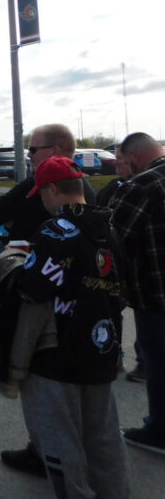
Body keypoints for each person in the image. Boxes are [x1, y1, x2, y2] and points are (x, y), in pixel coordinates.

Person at [13, 156, 130, 497]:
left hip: (59, 352)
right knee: (104, 436)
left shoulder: (55, 231)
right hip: (104, 348)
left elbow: (33, 289)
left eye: (42, 194)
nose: (43, 202)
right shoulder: (110, 225)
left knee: (62, 442)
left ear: (53, 189)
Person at [0, 123, 97, 474]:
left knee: (41, 379)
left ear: (57, 150)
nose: (28, 156)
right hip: (85, 310)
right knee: (82, 390)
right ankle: (70, 454)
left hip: (46, 298)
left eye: (33, 150)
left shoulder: (44, 188)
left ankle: (49, 457)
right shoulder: (88, 193)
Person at [109, 132, 165, 456]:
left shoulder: (142, 186)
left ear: (135, 157)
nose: (119, 167)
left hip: (156, 298)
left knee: (159, 363)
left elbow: (115, 238)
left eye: (120, 161)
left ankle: (159, 432)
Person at [97, 152, 145, 383]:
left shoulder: (140, 188)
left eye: (121, 159)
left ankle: (144, 362)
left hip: (134, 266)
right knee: (114, 308)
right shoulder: (112, 187)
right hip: (117, 264)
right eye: (115, 158)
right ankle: (117, 355)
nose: (116, 163)